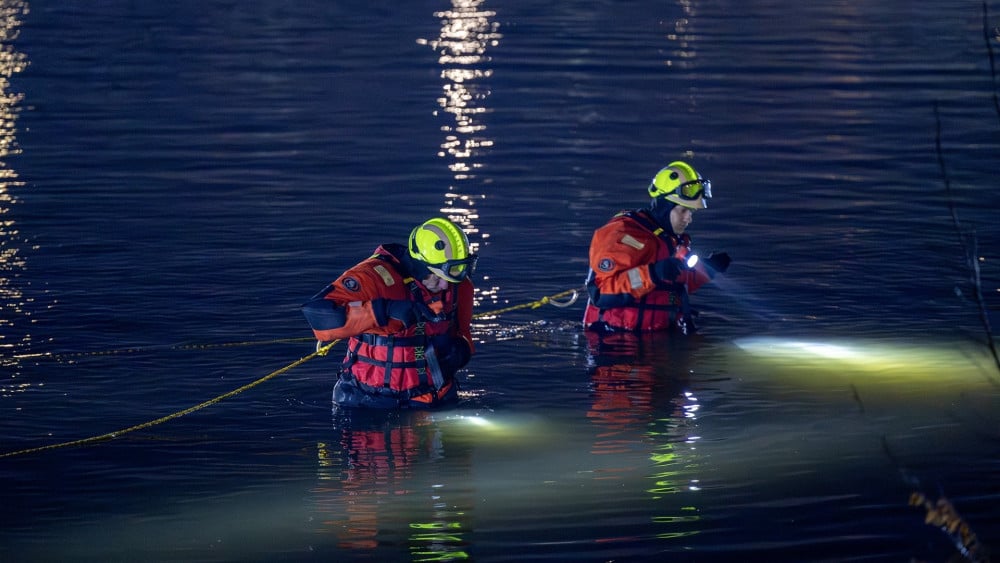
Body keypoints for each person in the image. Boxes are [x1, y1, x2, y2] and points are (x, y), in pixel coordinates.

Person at [302, 217, 477, 409]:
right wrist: (382, 310)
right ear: (418, 266)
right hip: (369, 401)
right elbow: (318, 315)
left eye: (450, 279)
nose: (445, 285)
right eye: (437, 277)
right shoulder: (373, 277)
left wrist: (461, 350)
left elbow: (463, 333)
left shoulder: (458, 285)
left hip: (435, 397)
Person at [583, 161, 731, 334]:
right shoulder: (622, 234)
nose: (689, 219)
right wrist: (653, 273)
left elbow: (673, 284)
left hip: (655, 338)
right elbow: (602, 292)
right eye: (683, 211)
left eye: (691, 212)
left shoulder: (670, 239)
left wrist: (708, 269)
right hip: (613, 342)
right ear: (665, 206)